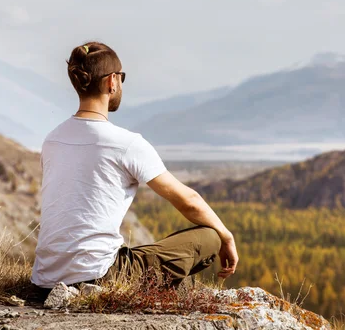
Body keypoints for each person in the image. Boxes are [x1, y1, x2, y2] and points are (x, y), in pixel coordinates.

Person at [30, 41, 238, 294]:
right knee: (209, 237)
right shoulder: (125, 143)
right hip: (100, 276)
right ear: (112, 82)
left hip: (43, 280)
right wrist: (226, 237)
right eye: (122, 78)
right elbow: (190, 201)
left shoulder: (52, 139)